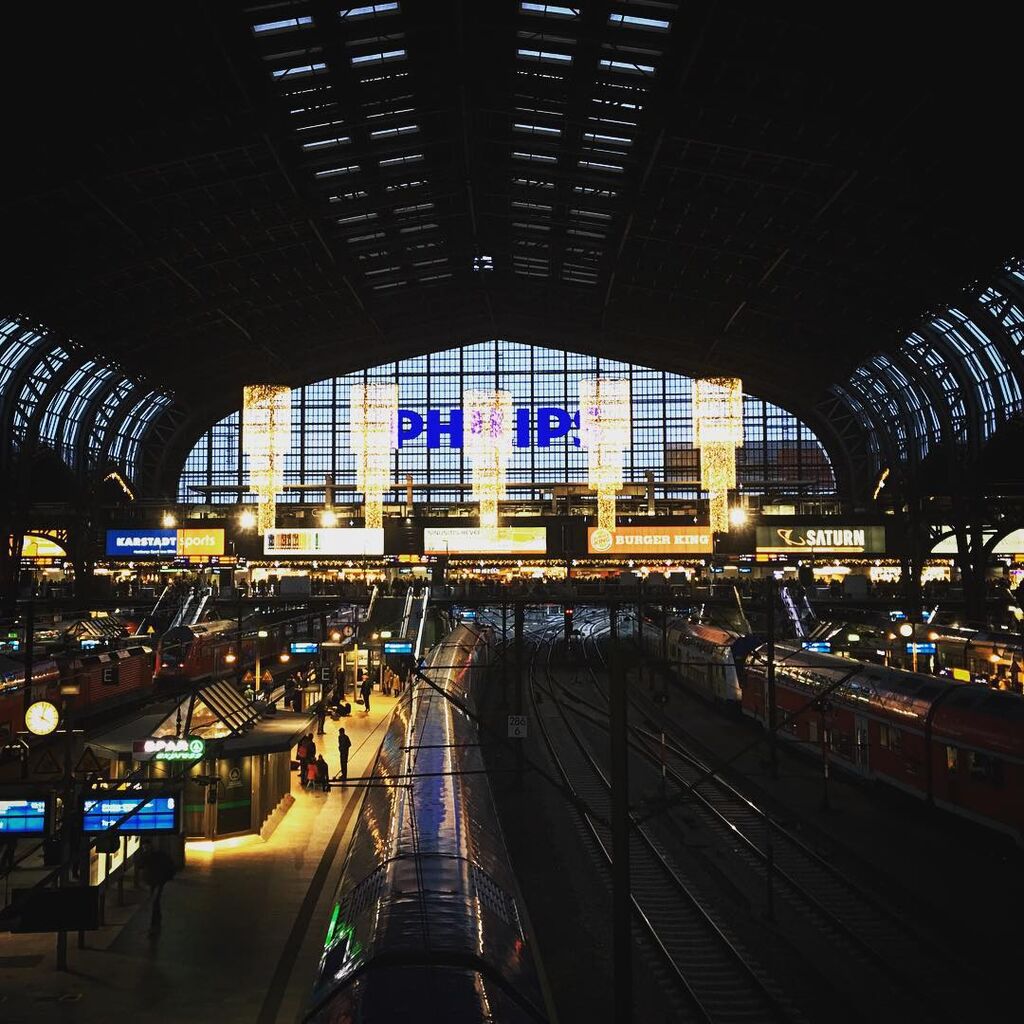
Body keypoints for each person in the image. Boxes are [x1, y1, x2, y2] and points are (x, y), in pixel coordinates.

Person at [136, 839, 175, 933]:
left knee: (155, 901)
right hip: (158, 880)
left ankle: (155, 923)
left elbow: (140, 865)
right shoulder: (159, 855)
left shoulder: (151, 857)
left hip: (156, 880)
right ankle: (156, 922)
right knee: (155, 901)